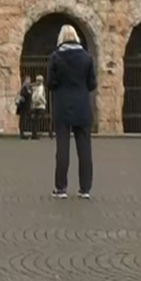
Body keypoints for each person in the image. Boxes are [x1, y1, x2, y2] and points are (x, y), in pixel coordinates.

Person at [48, 24, 95, 199]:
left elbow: (50, 83)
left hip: (62, 105)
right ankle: (85, 189)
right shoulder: (87, 58)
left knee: (62, 147)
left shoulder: (55, 57)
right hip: (82, 105)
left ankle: (61, 188)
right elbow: (92, 84)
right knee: (84, 149)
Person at [30, 75, 48, 140]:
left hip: (35, 106)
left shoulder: (35, 87)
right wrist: (44, 101)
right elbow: (40, 96)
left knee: (35, 120)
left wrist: (34, 102)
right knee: (41, 119)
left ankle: (34, 134)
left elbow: (33, 96)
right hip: (40, 105)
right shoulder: (41, 87)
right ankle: (49, 132)